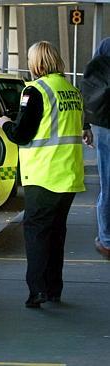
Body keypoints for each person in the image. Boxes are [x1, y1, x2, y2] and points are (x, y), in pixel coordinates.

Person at [0, 41, 85, 308]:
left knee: (36, 233)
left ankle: (37, 291)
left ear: (38, 64)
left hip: (44, 175)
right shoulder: (71, 91)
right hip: (68, 175)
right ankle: (54, 288)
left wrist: (4, 124)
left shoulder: (35, 91)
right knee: (57, 233)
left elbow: (22, 134)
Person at [80, 38, 110, 259]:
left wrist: (87, 123)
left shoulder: (106, 45)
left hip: (106, 123)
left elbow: (91, 83)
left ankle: (107, 240)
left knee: (107, 183)